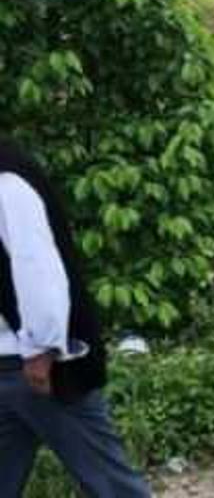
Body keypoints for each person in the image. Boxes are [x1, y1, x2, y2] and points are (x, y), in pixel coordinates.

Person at [0, 141, 150, 497]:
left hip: (35, 367)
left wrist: (41, 349)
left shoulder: (7, 183)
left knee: (113, 486)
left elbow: (36, 264)